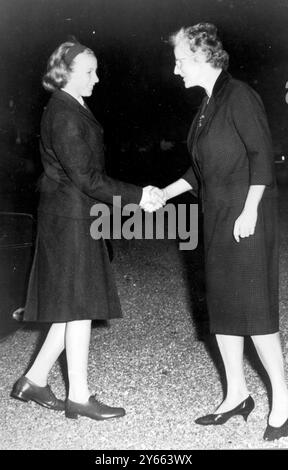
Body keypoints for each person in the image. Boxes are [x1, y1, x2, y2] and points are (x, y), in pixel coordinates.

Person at [11, 40, 164, 421]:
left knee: (69, 306)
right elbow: (86, 177)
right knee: (78, 307)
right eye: (88, 72)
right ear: (64, 73)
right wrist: (137, 196)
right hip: (70, 220)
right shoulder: (63, 113)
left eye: (96, 71)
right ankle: (78, 395)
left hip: (73, 217)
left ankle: (33, 379)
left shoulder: (71, 106)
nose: (96, 78)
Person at [159, 22, 288, 441]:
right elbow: (200, 170)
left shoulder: (239, 96)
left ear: (200, 58)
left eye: (180, 62)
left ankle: (283, 402)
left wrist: (249, 210)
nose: (176, 70)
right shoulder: (208, 104)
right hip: (216, 219)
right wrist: (164, 193)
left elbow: (261, 158)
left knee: (256, 312)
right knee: (224, 311)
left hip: (245, 218)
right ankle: (236, 395)